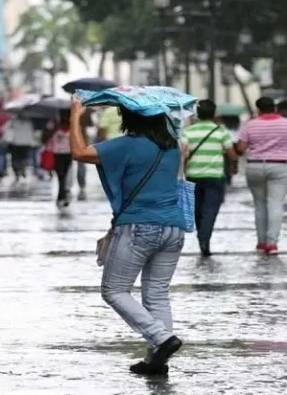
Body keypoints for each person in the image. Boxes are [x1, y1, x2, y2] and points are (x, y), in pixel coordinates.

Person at [70, 97, 185, 376]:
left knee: (114, 290)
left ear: (129, 119)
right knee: (157, 294)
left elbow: (80, 153)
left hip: (139, 227)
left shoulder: (127, 144)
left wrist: (75, 117)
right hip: (174, 227)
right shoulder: (173, 148)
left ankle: (161, 337)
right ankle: (156, 362)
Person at [237, 97, 287, 255]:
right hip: (280, 165)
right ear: (275, 108)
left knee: (259, 205)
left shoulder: (250, 125)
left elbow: (241, 148)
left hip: (255, 166)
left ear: (258, 109)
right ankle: (272, 243)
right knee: (275, 203)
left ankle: (261, 242)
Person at [184, 100, 238, 257]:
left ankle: (202, 235)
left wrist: (181, 172)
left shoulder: (189, 132)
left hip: (193, 176)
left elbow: (184, 155)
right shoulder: (221, 131)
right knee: (211, 209)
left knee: (198, 209)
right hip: (215, 176)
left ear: (197, 114)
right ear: (214, 114)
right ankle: (204, 238)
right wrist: (234, 166)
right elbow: (232, 154)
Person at [48, 109, 73, 208]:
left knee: (61, 176)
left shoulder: (56, 126)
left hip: (60, 154)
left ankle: (62, 197)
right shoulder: (56, 125)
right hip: (62, 154)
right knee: (62, 176)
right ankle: (62, 196)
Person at [5, 115, 37, 182]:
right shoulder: (29, 123)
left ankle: (17, 171)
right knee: (24, 157)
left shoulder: (13, 122)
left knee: (15, 158)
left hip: (16, 142)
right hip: (26, 143)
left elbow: (8, 130)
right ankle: (22, 169)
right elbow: (32, 132)